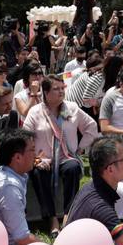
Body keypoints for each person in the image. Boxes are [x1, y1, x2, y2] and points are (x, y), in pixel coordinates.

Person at [24, 75, 98, 231]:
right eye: (55, 89)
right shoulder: (35, 111)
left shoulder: (72, 108)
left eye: (62, 88)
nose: (60, 92)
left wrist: (80, 148)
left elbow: (91, 126)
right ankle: (52, 219)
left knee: (73, 168)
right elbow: (25, 137)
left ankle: (68, 215)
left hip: (66, 157)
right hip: (43, 159)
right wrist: (35, 159)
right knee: (39, 173)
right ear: (45, 92)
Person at [0, 128, 41, 245]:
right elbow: (22, 239)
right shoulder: (8, 189)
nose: (35, 154)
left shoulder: (7, 172)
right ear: (17, 157)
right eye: (32, 150)